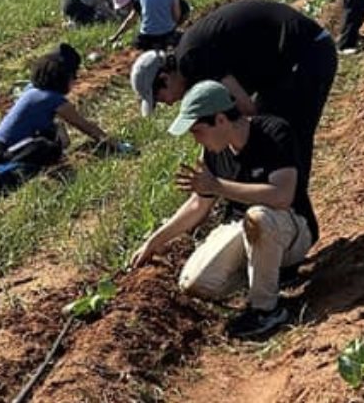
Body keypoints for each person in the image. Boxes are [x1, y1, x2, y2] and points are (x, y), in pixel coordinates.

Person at [130, 81, 316, 339]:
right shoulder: (214, 153)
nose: (195, 139)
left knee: (258, 217)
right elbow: (198, 205)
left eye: (197, 131)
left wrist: (218, 186)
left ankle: (265, 309)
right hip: (244, 230)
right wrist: (154, 241)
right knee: (194, 283)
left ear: (220, 120)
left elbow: (283, 196)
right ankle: (266, 275)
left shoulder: (274, 133)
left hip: (291, 228)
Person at [130, 0, 337, 189]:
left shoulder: (192, 61)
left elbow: (246, 108)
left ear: (165, 79)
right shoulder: (190, 60)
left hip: (307, 52)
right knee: (269, 132)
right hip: (284, 65)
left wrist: (222, 168)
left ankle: (292, 210)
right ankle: (275, 200)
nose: (167, 104)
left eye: (159, 98)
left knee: (286, 134)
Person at [0, 45, 122, 170]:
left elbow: (63, 138)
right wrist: (116, 145)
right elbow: (85, 126)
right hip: (3, 154)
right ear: (65, 76)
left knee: (53, 133)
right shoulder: (52, 99)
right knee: (49, 149)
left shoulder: (32, 90)